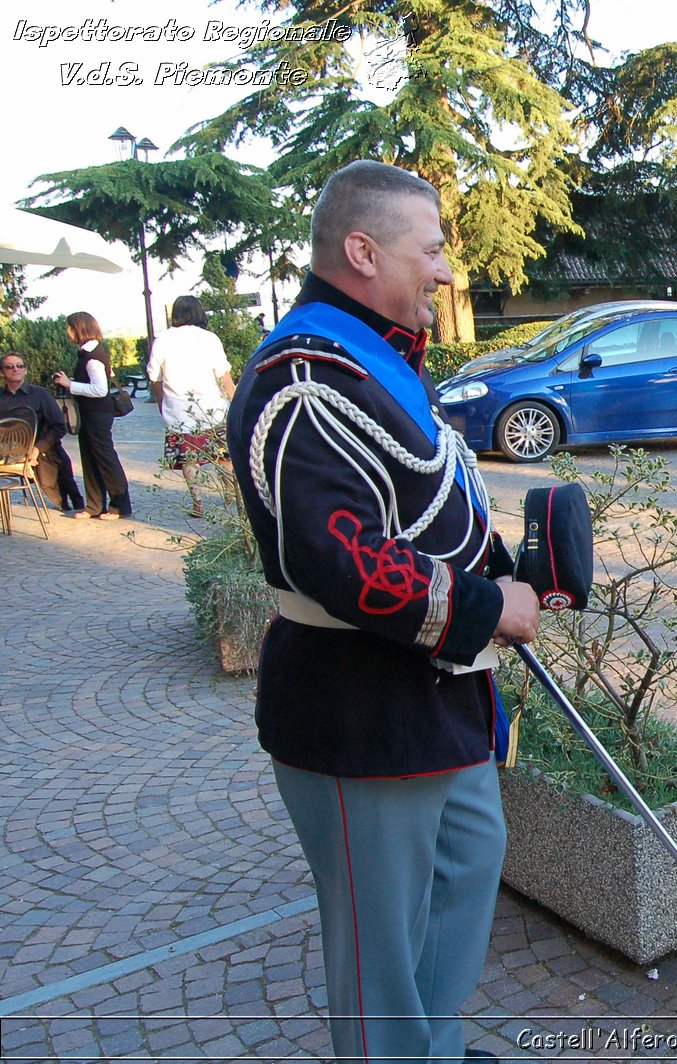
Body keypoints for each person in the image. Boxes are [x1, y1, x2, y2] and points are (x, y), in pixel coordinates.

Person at [225, 160, 541, 1063]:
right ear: (361, 251)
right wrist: (491, 608)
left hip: (437, 702)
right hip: (357, 708)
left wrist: (506, 570)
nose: (445, 270)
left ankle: (433, 1050)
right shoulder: (306, 376)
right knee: (378, 953)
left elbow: (418, 505)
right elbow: (339, 558)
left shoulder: (375, 357)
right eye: (431, 249)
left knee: (467, 872)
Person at [147, 295, 236, 517]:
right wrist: (235, 399)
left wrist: (161, 403)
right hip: (212, 409)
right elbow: (224, 376)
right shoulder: (209, 338)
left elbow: (154, 378)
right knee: (224, 455)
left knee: (189, 459)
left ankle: (198, 503)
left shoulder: (162, 340)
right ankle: (230, 490)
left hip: (178, 411)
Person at [50, 312, 132, 520]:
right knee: (89, 458)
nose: (68, 332)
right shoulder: (88, 352)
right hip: (90, 414)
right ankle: (94, 505)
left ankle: (119, 505)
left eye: (70, 328)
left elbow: (99, 389)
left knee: (105, 459)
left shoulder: (92, 357)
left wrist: (70, 385)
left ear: (79, 329)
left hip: (97, 414)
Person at [0, 352, 85, 514]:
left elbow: (59, 426)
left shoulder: (40, 394)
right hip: (5, 451)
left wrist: (38, 448)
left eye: (20, 366)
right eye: (9, 367)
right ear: (2, 372)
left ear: (26, 370)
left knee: (60, 465)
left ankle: (73, 503)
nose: (15, 369)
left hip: (40, 446)